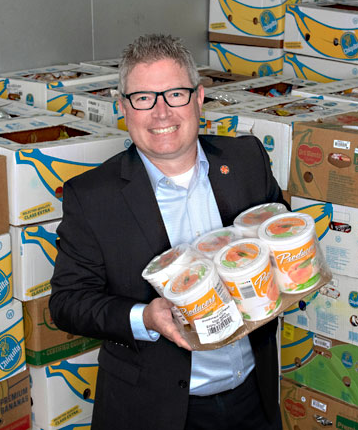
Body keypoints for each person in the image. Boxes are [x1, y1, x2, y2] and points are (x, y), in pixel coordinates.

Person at [49, 34, 287, 430]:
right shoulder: (92, 197)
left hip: (252, 396)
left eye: (175, 94)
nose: (161, 112)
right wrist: (146, 317)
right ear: (124, 107)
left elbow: (278, 235)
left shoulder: (246, 160)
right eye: (144, 98)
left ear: (198, 98)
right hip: (153, 410)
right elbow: (68, 303)